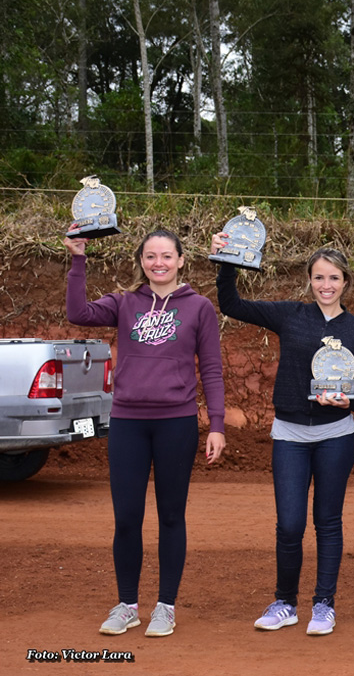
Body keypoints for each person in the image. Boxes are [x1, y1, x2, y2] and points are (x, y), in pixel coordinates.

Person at [212, 236, 354, 636]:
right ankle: (285, 603)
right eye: (319, 277)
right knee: (289, 525)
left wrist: (352, 402)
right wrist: (227, 260)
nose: (326, 284)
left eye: (334, 278)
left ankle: (324, 605)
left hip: (336, 436)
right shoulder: (290, 315)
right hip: (289, 435)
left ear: (346, 282)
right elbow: (231, 305)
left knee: (327, 522)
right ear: (309, 280)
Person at [64, 228, 226, 638]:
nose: (159, 263)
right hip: (128, 423)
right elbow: (78, 313)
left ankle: (166, 607)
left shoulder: (199, 307)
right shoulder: (124, 303)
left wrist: (217, 424)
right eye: (151, 256)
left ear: (181, 260)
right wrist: (78, 258)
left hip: (176, 422)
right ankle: (127, 605)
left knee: (171, 516)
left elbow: (210, 368)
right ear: (141, 261)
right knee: (126, 519)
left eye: (167, 256)